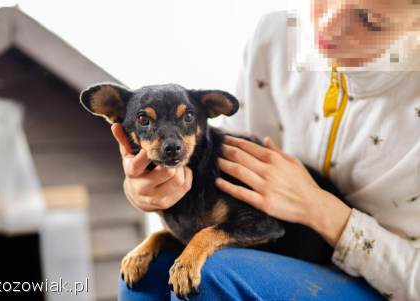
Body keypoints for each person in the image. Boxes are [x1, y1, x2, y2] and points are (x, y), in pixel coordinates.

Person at [117, 1, 420, 300]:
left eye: (370, 19)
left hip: (379, 284)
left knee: (214, 275)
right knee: (147, 274)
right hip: (267, 247)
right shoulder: (276, 36)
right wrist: (149, 187)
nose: (328, 24)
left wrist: (319, 209)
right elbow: (222, 171)